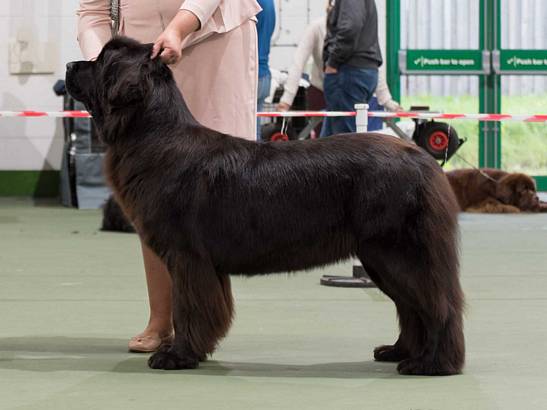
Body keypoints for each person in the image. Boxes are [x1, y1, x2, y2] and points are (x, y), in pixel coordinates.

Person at [77, 0, 262, 352]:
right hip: (140, 54)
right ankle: (162, 320)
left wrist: (178, 28)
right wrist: (104, 66)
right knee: (154, 194)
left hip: (213, 36)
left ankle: (198, 323)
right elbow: (92, 11)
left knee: (219, 190)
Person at [277, 15, 401, 134]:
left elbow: (371, 65)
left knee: (348, 138)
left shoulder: (358, 29)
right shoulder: (316, 27)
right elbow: (298, 62)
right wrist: (286, 101)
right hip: (321, 91)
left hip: (348, 93)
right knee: (328, 140)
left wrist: (387, 101)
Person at [321, 0, 383, 137]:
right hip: (357, 72)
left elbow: (351, 27)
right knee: (331, 141)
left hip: (348, 73)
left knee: (343, 143)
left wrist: (333, 62)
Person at [255, 0, 276, 140]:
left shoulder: (252, 3)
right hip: (264, 75)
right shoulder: (269, 4)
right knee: (254, 132)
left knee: (244, 135)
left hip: (251, 76)